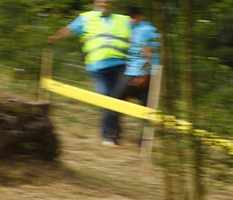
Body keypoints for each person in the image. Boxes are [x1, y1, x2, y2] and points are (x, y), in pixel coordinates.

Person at [48, 0, 132, 145]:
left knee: (118, 100)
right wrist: (56, 37)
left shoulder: (123, 19)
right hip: (98, 67)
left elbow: (136, 36)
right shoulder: (86, 18)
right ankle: (107, 135)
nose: (104, 2)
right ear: (96, 1)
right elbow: (70, 29)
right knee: (106, 99)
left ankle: (115, 133)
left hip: (120, 65)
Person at [113, 6, 159, 108]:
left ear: (141, 17)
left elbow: (147, 51)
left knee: (115, 99)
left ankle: (112, 123)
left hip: (138, 72)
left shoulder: (141, 30)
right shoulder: (149, 28)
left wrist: (143, 76)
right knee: (147, 108)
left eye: (135, 17)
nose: (133, 20)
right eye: (131, 17)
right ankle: (146, 123)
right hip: (154, 74)